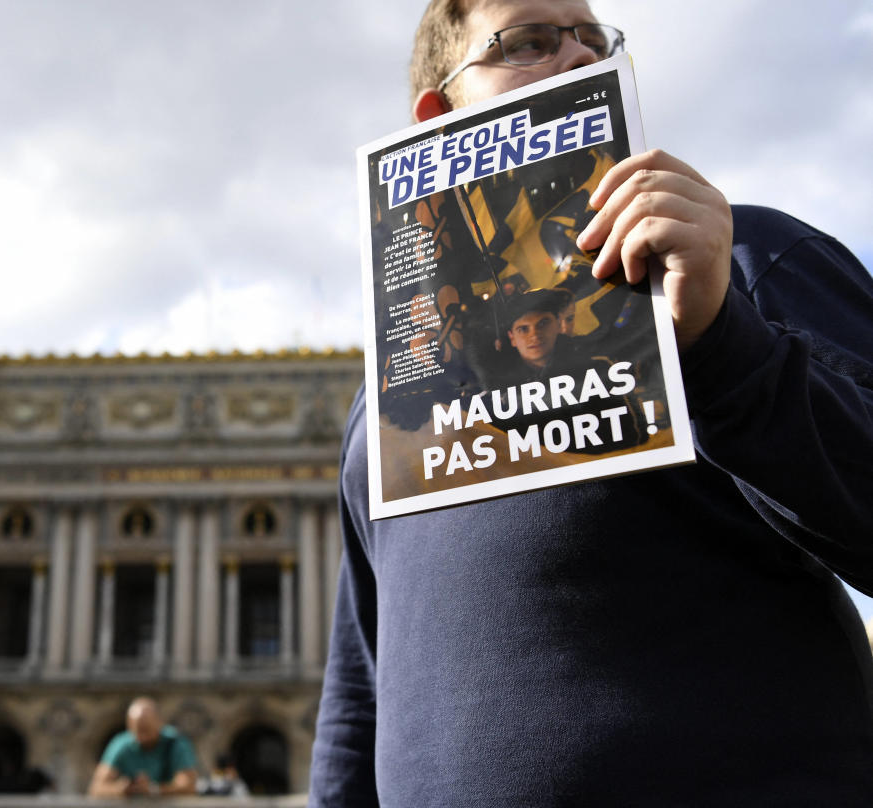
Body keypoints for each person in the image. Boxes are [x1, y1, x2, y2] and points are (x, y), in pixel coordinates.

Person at [310, 1, 873, 806]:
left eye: (593, 39)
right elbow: (364, 682)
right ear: (439, 114)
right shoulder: (395, 389)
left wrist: (723, 344)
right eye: (531, 41)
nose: (579, 57)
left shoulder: (746, 256)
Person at [88, 697, 198, 797]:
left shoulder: (175, 743)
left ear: (160, 723)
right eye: (137, 732)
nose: (142, 737)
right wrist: (121, 789)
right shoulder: (122, 744)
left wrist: (155, 789)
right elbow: (96, 788)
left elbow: (189, 785)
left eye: (146, 730)